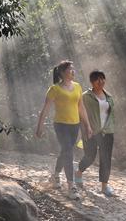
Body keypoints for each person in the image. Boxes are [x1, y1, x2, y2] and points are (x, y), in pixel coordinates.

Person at [35, 60, 92, 200]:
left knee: (65, 152)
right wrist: (40, 126)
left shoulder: (78, 87)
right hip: (61, 125)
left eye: (73, 69)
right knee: (68, 152)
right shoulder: (54, 89)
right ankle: (71, 186)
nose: (73, 71)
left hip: (75, 125)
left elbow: (81, 108)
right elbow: (46, 109)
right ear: (62, 72)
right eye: (70, 69)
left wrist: (87, 125)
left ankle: (55, 175)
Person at [75, 70, 116, 197]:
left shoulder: (109, 97)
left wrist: (111, 127)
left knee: (106, 159)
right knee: (90, 156)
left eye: (103, 79)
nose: (101, 82)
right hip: (91, 131)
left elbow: (111, 114)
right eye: (98, 79)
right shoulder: (85, 96)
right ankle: (79, 173)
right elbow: (79, 112)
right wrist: (84, 128)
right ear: (92, 82)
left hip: (107, 132)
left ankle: (104, 186)